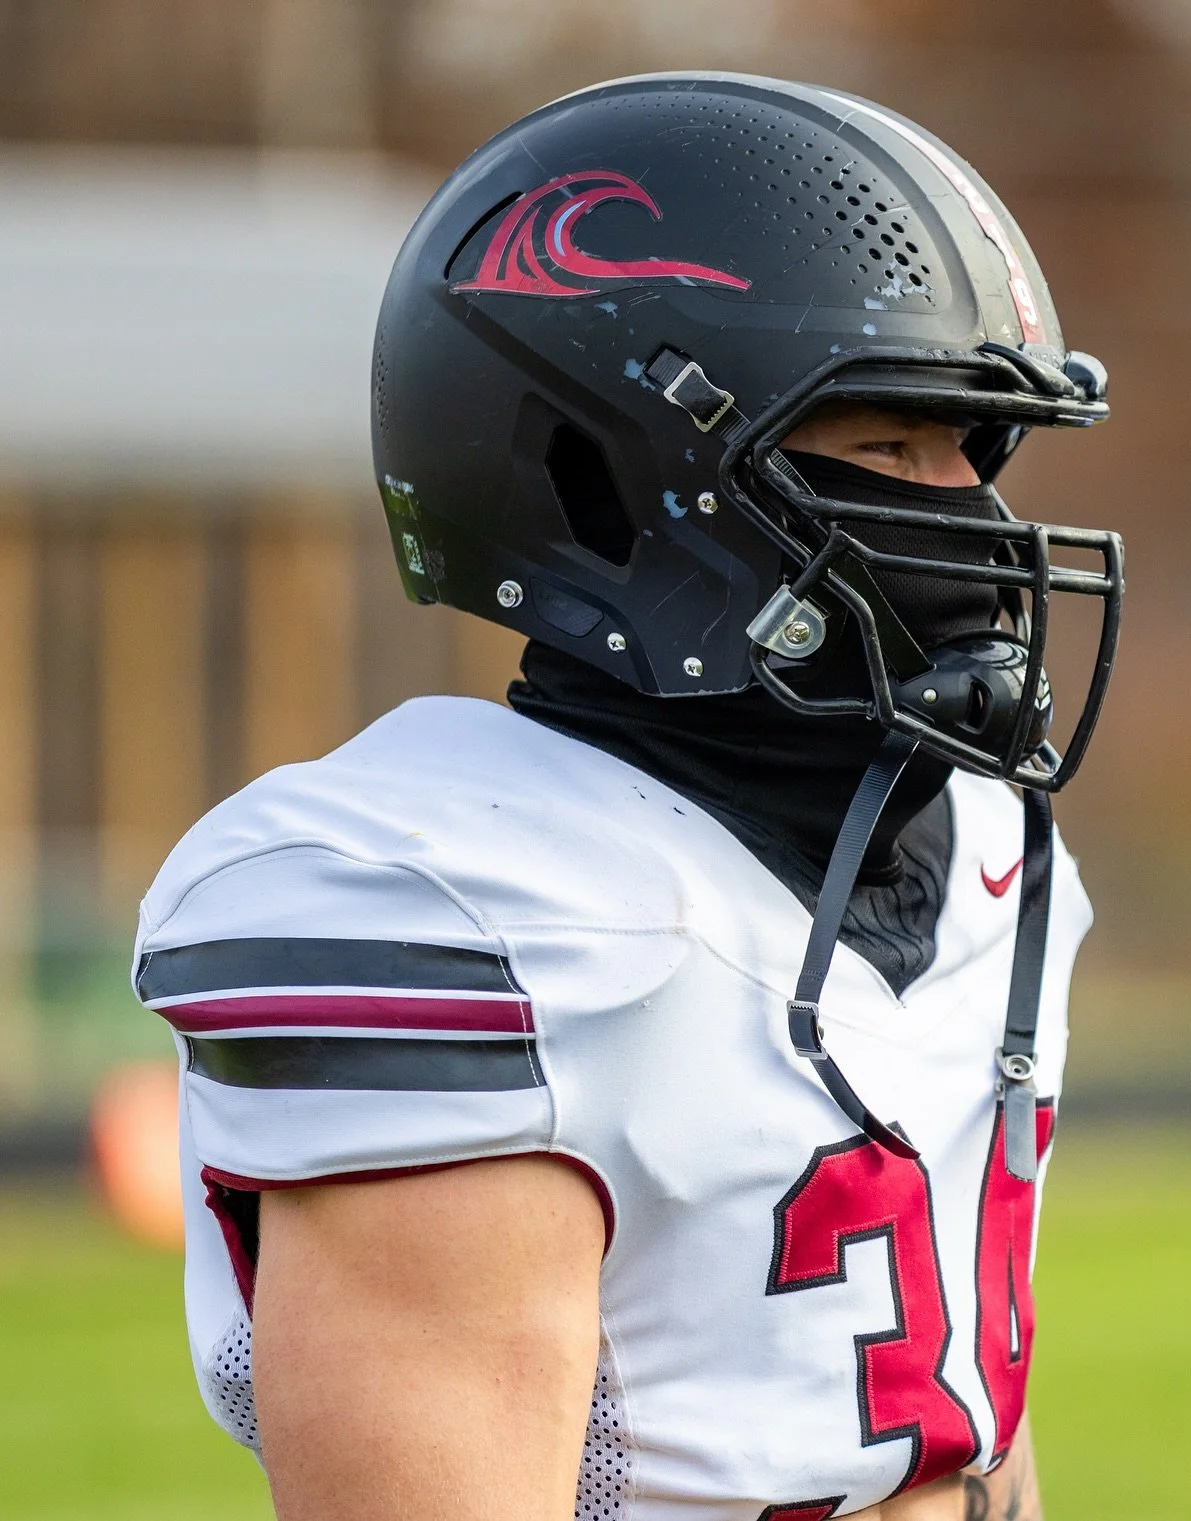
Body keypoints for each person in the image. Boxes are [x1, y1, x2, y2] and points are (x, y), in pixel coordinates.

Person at [134, 72, 1123, 1521]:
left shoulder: (981, 851)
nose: (972, 510)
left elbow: (960, 1442)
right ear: (610, 478)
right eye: (886, 441)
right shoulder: (456, 907)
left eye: (975, 446)